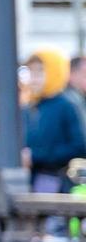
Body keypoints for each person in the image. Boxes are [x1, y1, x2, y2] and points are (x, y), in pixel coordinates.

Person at [27, 50, 86, 194]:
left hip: (59, 182)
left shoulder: (67, 104)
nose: (34, 79)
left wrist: (35, 156)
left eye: (40, 72)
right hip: (34, 181)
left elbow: (79, 146)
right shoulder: (32, 105)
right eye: (31, 73)